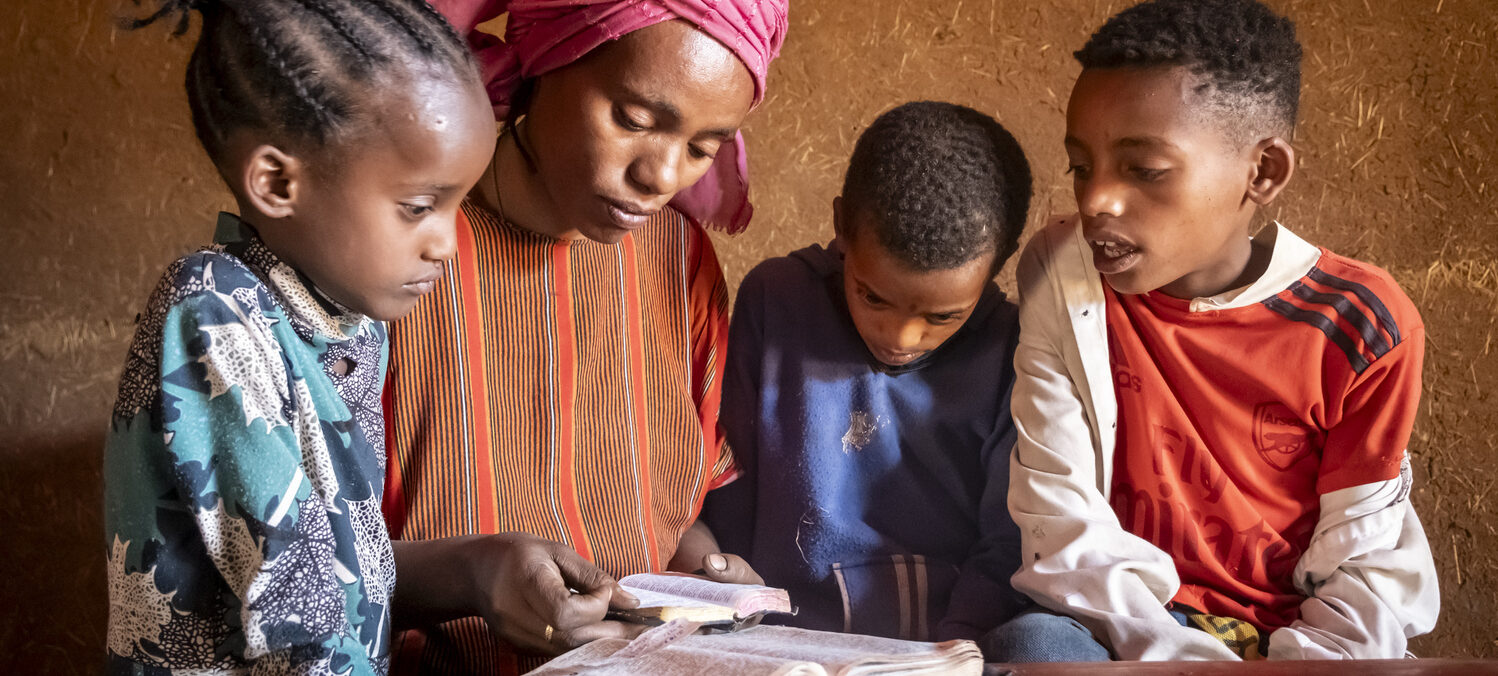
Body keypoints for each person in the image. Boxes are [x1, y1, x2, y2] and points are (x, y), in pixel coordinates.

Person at [102, 1, 637, 673]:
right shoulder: (214, 311)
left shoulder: (344, 323)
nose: (446, 242)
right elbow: (304, 619)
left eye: (456, 202)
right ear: (276, 182)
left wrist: (486, 563)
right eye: (419, 207)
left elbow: (350, 569)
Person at [991, 0, 1440, 662]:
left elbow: (1366, 562)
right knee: (1033, 646)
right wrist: (1182, 660)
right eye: (1081, 166)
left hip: (1297, 640)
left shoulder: (1360, 322)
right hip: (1124, 625)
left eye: (1144, 170)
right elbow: (1061, 525)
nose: (1096, 201)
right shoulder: (1064, 270)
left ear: (1262, 173)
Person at [379, 1, 788, 672]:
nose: (660, 176)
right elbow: (302, 562)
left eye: (702, 147)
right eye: (633, 120)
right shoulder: (396, 250)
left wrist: (703, 587)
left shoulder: (680, 261)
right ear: (545, 62)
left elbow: (670, 516)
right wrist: (473, 574)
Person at [701, 101, 1033, 647]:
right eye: (872, 296)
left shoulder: (1012, 350)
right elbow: (730, 486)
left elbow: (1009, 541)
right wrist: (733, 601)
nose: (900, 338)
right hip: (775, 637)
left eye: (942, 316)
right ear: (841, 228)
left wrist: (954, 651)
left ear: (999, 264)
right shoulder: (779, 301)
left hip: (943, 646)